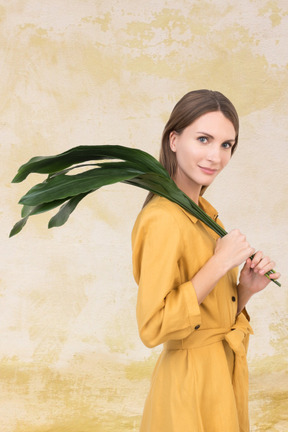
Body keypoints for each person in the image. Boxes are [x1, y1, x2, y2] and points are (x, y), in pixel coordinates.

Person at [131, 90, 280, 432]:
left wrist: (244, 290)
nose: (216, 155)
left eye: (227, 145)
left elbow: (206, 312)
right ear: (174, 139)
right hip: (189, 383)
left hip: (221, 375)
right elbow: (153, 326)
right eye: (204, 139)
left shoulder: (204, 214)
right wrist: (219, 263)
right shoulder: (162, 218)